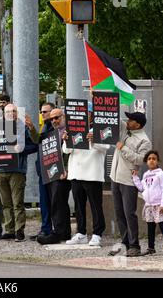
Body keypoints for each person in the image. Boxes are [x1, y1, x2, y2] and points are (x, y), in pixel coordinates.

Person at [63, 103, 109, 246]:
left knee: (96, 206)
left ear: (91, 114)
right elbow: (66, 150)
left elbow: (106, 146)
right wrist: (66, 139)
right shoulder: (73, 128)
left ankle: (97, 233)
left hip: (92, 173)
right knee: (78, 205)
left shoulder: (100, 127)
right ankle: (81, 232)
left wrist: (93, 139)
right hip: (76, 173)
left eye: (86, 112)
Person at [109, 111, 151, 257]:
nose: (127, 120)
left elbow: (141, 160)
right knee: (119, 213)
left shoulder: (144, 140)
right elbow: (114, 117)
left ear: (137, 124)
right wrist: (97, 97)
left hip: (128, 181)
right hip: (115, 178)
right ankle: (124, 243)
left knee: (129, 214)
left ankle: (135, 246)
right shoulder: (125, 130)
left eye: (131, 119)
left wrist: (123, 148)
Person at [0, 103, 38, 242]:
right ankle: (9, 230)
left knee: (17, 203)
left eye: (14, 111)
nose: (11, 113)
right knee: (6, 203)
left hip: (17, 170)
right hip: (1, 169)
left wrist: (22, 148)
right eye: (8, 111)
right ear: (4, 114)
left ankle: (19, 231)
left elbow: (35, 145)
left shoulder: (22, 128)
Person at [37, 108, 72, 245]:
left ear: (64, 116)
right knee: (57, 202)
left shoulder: (69, 131)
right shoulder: (52, 133)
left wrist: (67, 169)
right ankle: (63, 232)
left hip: (65, 173)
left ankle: (58, 232)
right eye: (52, 119)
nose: (54, 121)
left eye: (57, 117)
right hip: (53, 172)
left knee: (58, 202)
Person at [132, 150, 163, 257]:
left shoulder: (161, 174)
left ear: (157, 161)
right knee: (150, 227)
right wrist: (135, 178)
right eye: (149, 159)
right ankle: (151, 248)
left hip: (159, 205)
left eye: (154, 159)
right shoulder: (145, 175)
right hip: (149, 205)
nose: (151, 161)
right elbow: (141, 188)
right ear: (146, 161)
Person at [30, 102, 55, 241]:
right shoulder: (44, 126)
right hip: (43, 170)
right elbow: (37, 143)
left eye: (45, 112)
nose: (42, 114)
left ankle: (54, 229)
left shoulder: (54, 127)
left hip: (53, 171)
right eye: (41, 112)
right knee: (44, 202)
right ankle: (45, 228)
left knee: (54, 202)